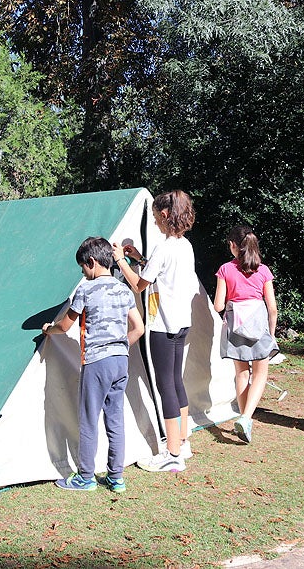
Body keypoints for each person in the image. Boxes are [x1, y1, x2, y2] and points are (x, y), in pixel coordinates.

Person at [43, 237, 144, 492]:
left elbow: (65, 325)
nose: (83, 274)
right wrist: (119, 348)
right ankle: (116, 477)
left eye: (83, 269)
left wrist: (49, 329)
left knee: (89, 419)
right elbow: (139, 328)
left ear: (91, 262)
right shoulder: (124, 290)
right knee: (115, 420)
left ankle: (86, 477)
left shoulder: (86, 290)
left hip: (96, 362)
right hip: (121, 362)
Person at [112, 190, 199, 472]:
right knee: (176, 381)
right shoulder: (184, 245)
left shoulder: (164, 247)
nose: (154, 224)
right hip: (182, 322)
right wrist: (138, 256)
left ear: (164, 215)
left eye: (154, 218)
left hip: (162, 326)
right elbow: (158, 271)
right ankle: (183, 441)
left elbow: (140, 285)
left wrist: (121, 261)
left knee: (165, 387)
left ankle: (172, 454)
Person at [213, 225, 279, 444]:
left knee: (241, 374)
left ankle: (244, 419)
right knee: (260, 374)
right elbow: (272, 307)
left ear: (233, 245)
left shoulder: (225, 269)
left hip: (235, 326)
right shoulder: (263, 270)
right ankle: (246, 418)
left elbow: (218, 305)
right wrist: (271, 333)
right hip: (259, 326)